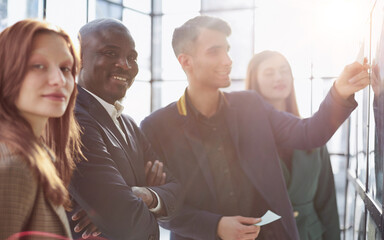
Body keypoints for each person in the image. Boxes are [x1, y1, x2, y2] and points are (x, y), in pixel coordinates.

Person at [140, 15, 369, 240]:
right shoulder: (156, 127)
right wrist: (216, 226)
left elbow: (309, 134)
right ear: (185, 61)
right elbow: (161, 207)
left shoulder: (251, 105)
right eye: (214, 51)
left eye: (227, 50)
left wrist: (339, 92)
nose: (227, 60)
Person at [68, 18, 180, 240]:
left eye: (132, 57)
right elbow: (123, 218)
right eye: (110, 53)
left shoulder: (128, 124)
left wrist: (147, 196)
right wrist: (122, 209)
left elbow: (177, 193)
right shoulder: (72, 120)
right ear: (79, 58)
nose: (126, 65)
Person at [245, 50, 341, 240]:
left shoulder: (312, 133)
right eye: (269, 73)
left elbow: (327, 204)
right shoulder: (244, 138)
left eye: (284, 71)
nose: (279, 77)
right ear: (254, 79)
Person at [0, 19, 82, 239]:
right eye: (38, 66)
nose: (59, 80)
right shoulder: (13, 167)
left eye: (66, 68)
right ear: (6, 71)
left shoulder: (35, 153)